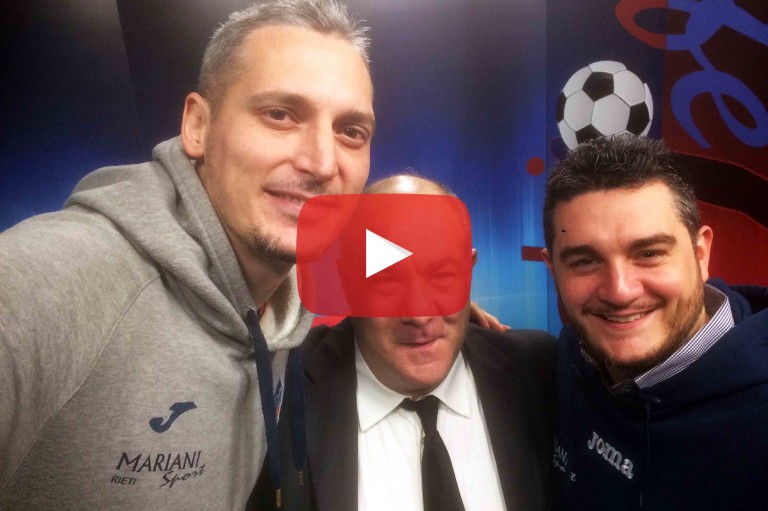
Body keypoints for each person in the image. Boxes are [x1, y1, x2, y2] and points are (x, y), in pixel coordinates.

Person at [0, 1, 375, 508]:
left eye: (351, 131)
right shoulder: (49, 283)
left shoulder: (283, 305)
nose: (323, 162)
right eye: (280, 115)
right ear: (198, 126)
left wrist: (459, 315)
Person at [257, 174, 557, 511]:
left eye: (442, 275)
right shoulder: (278, 391)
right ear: (347, 280)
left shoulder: (540, 370)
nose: (419, 314)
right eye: (387, 280)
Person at [541, 134, 768, 510]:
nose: (619, 292)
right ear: (553, 270)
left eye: (649, 253)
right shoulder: (568, 357)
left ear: (701, 254)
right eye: (585, 261)